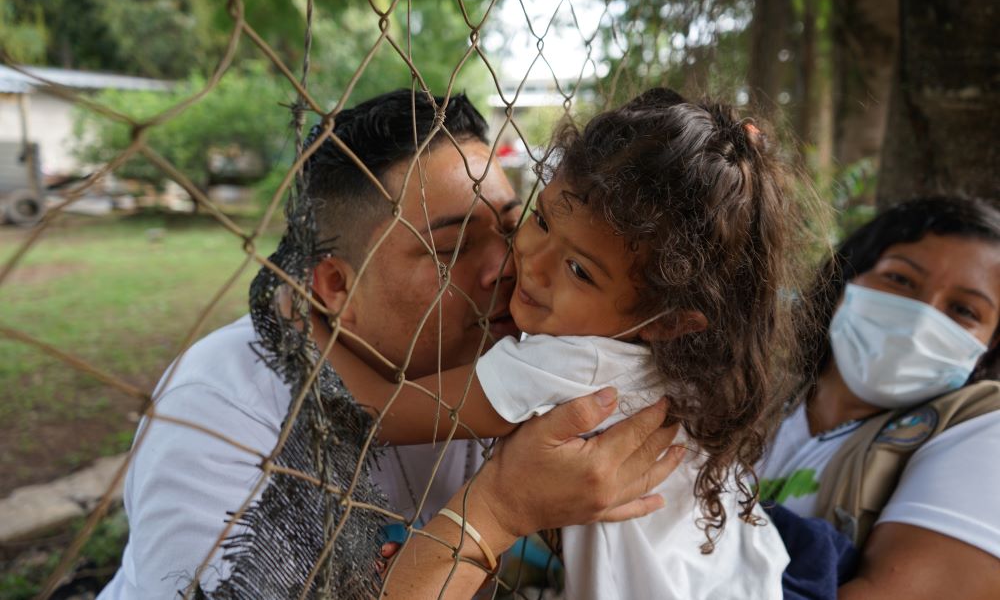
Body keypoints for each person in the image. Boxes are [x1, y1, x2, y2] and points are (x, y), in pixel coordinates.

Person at [98, 90, 681, 599]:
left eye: (510, 225)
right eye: (451, 248)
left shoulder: (523, 355)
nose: (511, 267)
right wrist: (501, 510)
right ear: (335, 287)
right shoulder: (216, 411)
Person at [338, 89, 812, 599]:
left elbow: (375, 410)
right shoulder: (680, 360)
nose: (532, 263)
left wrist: (314, 326)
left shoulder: (570, 364)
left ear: (671, 321)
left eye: (580, 271)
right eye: (541, 220)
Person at [757, 196, 1000, 599]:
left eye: (963, 310)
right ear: (847, 278)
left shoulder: (982, 432)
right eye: (901, 280)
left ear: (989, 347)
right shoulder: (742, 397)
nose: (922, 319)